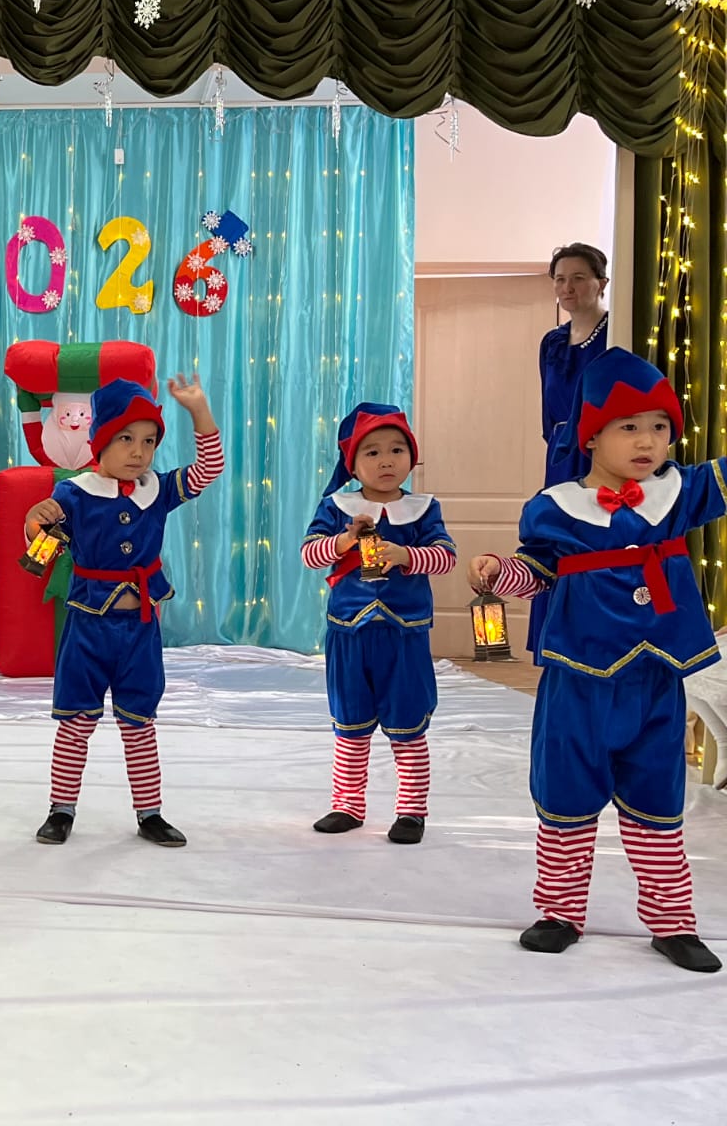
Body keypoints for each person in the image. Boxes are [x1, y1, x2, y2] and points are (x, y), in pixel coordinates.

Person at [470, 347, 721, 973]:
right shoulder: (555, 507)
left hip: (653, 677)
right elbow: (536, 571)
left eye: (659, 426)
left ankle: (673, 922)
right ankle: (559, 913)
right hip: (579, 680)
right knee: (566, 794)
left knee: (658, 800)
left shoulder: (679, 494)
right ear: (591, 436)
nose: (647, 441)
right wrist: (498, 573)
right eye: (628, 426)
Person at [25, 375, 224, 848]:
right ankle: (61, 809)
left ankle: (149, 813)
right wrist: (34, 520)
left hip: (139, 630)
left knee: (139, 723)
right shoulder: (75, 492)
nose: (139, 452)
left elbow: (209, 468)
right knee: (75, 722)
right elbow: (39, 536)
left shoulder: (158, 489)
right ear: (100, 441)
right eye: (126, 439)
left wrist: (199, 410)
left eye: (149, 441)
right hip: (88, 627)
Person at [299, 404, 456, 843]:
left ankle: (412, 811)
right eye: (372, 452)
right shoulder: (337, 507)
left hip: (405, 634)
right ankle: (348, 805)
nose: (386, 460)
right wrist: (345, 540)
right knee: (350, 724)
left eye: (396, 449)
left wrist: (407, 555)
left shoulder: (424, 509)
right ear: (352, 463)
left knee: (408, 725)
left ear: (412, 456)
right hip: (349, 631)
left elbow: (446, 557)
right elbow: (310, 555)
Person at [533, 243, 610, 652]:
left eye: (578, 278)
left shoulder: (617, 332)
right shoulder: (551, 342)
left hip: (603, 456)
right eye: (560, 279)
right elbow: (548, 412)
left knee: (596, 540)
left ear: (601, 283)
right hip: (561, 458)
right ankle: (557, 643)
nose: (568, 287)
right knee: (556, 539)